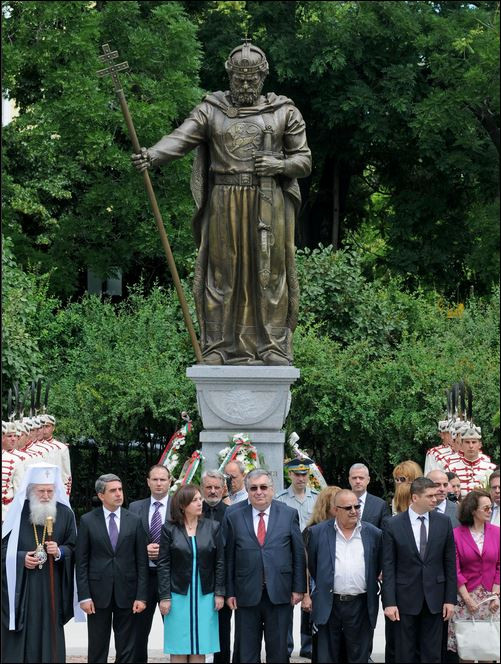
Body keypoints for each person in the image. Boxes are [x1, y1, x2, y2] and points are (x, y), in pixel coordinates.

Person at [132, 40, 312, 366]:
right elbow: (181, 137)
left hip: (268, 201)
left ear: (263, 76)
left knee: (269, 274)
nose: (245, 85)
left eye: (252, 79)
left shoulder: (283, 112)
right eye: (239, 79)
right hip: (224, 201)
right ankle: (217, 347)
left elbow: (304, 161)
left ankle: (271, 346)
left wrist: (279, 165)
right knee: (221, 272)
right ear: (230, 75)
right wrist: (152, 155)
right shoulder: (211, 110)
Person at [224, 468, 306, 663]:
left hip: (280, 593)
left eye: (263, 487)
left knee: (278, 651)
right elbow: (227, 558)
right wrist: (229, 591)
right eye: (253, 488)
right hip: (245, 594)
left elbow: (298, 555)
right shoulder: (232, 514)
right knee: (246, 652)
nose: (258, 492)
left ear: (272, 489)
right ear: (247, 490)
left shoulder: (288, 513)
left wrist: (298, 588)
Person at [2, 463, 79, 663]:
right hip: (24, 587)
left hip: (51, 586)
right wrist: (20, 559)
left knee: (50, 630)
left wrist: (60, 551)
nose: (46, 495)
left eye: (50, 491)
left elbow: (74, 547)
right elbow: (3, 548)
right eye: (41, 491)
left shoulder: (65, 514)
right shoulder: (17, 513)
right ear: (30, 491)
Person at [75, 473, 149, 663]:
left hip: (128, 593)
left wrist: (141, 596)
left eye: (120, 489)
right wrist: (84, 596)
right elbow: (81, 562)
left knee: (126, 648)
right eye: (113, 491)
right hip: (98, 595)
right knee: (97, 647)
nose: (118, 494)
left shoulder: (134, 520)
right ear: (101, 495)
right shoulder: (87, 520)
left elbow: (142, 561)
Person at [383, 477, 457, 663]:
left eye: (436, 495)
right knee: (405, 654)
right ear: (415, 498)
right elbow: (389, 566)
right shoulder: (393, 524)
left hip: (435, 599)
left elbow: (449, 563)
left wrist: (450, 599)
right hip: (404, 600)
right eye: (430, 496)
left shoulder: (444, 522)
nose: (435, 499)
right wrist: (389, 602)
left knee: (432, 654)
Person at [307, 489, 382, 663]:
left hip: (360, 604)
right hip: (329, 603)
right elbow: (313, 566)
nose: (354, 511)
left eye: (357, 506)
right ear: (335, 510)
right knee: (327, 656)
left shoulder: (373, 534)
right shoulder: (318, 533)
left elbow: (376, 566)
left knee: (358, 656)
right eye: (348, 508)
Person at [157, 483, 225, 663]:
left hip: (205, 595)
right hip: (178, 594)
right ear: (182, 505)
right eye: (194, 500)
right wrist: (164, 596)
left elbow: (219, 562)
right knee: (178, 646)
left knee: (200, 647)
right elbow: (163, 564)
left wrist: (219, 592)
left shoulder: (213, 527)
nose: (199, 503)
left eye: (199, 499)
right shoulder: (169, 529)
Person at [447, 489, 500, 659]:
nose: (490, 511)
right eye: (485, 508)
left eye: (490, 507)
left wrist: (495, 595)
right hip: (464, 599)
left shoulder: (497, 532)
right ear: (472, 510)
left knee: (488, 651)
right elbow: (454, 569)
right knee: (467, 651)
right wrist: (467, 599)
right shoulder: (456, 535)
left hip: (492, 599)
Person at [128, 464, 172, 663]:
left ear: (170, 481)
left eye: (163, 479)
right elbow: (128, 540)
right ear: (148, 482)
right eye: (155, 479)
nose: (159, 483)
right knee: (138, 633)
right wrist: (142, 549)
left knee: (174, 631)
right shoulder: (135, 507)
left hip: (170, 579)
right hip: (142, 578)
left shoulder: (179, 507)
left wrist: (164, 550)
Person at [276, 457, 319, 659]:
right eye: (297, 474)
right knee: (286, 601)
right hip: (289, 556)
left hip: (311, 555)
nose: (301, 478)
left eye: (304, 474)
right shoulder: (280, 498)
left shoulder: (317, 498)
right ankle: (285, 645)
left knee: (309, 601)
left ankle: (308, 644)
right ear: (290, 475)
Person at [200, 470, 232, 663]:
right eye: (209, 487)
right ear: (202, 488)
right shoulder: (192, 511)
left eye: (216, 487)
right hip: (196, 582)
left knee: (222, 631)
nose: (212, 491)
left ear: (223, 489)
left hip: (224, 582)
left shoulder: (233, 514)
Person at [445, 424, 496, 497]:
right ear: (461, 445)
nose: (471, 446)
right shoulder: (451, 468)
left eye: (474, 442)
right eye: (467, 442)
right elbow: (448, 493)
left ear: (480, 444)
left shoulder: (491, 468)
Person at [348, 462, 391, 528]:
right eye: (354, 478)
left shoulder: (380, 505)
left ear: (368, 480)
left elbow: (386, 533)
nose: (357, 481)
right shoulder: (340, 503)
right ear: (349, 480)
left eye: (361, 478)